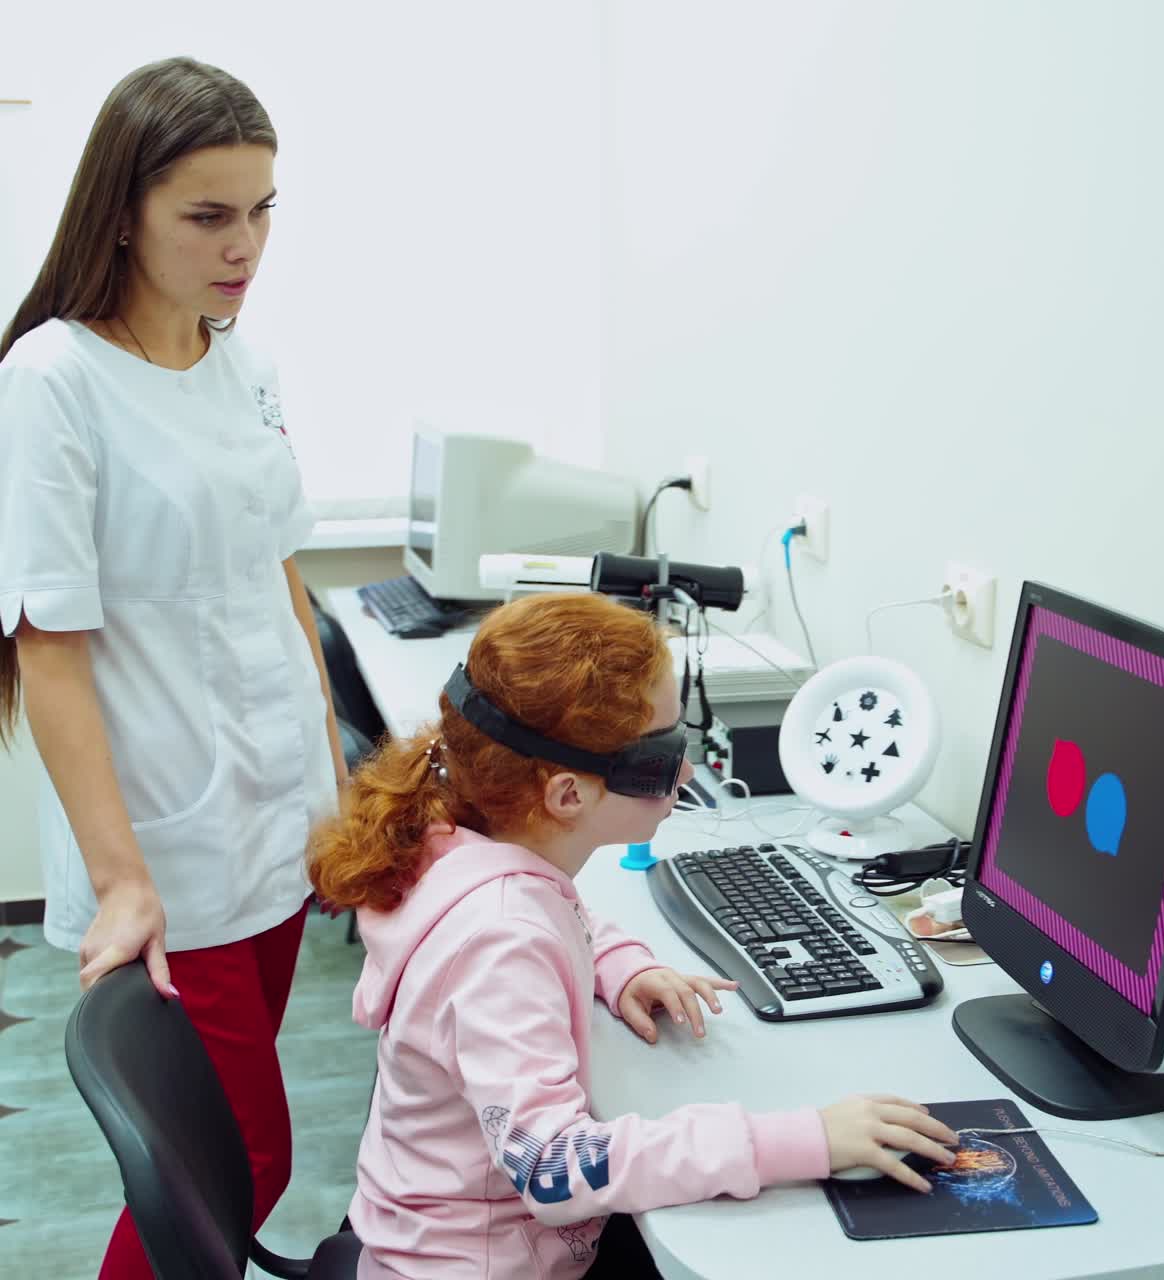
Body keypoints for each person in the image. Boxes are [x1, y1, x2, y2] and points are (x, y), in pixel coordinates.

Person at [308, 592, 958, 1280]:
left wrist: (617, 964)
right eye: (664, 755)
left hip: (460, 1235)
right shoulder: (500, 938)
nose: (688, 773)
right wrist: (807, 1139)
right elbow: (554, 1168)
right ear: (567, 795)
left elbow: (556, 915)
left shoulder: (459, 842)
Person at [0, 57, 346, 1278]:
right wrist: (120, 880)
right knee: (234, 1157)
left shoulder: (243, 361)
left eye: (260, 210)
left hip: (279, 816)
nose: (243, 244)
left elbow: (281, 581)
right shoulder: (52, 380)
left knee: (226, 1163)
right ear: (122, 211)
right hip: (165, 844)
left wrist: (336, 790)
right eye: (207, 214)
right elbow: (49, 647)